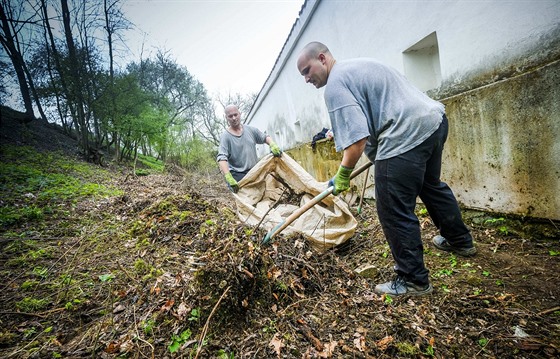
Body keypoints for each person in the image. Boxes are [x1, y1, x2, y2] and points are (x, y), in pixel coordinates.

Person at [296, 41, 476, 296]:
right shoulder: (355, 67)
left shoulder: (335, 85)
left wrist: (343, 174)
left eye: (306, 70)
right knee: (430, 186)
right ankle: (460, 241)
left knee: (392, 208)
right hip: (433, 122)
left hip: (404, 135)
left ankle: (413, 279)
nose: (306, 78)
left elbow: (358, 140)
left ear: (322, 58)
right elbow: (370, 114)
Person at [217, 104, 282, 193]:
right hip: (238, 176)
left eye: (235, 114)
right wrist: (228, 176)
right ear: (226, 118)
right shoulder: (226, 136)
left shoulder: (250, 130)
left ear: (239, 114)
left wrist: (273, 144)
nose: (234, 118)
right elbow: (221, 158)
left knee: (262, 194)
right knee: (246, 201)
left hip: (255, 172)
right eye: (230, 116)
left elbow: (265, 137)